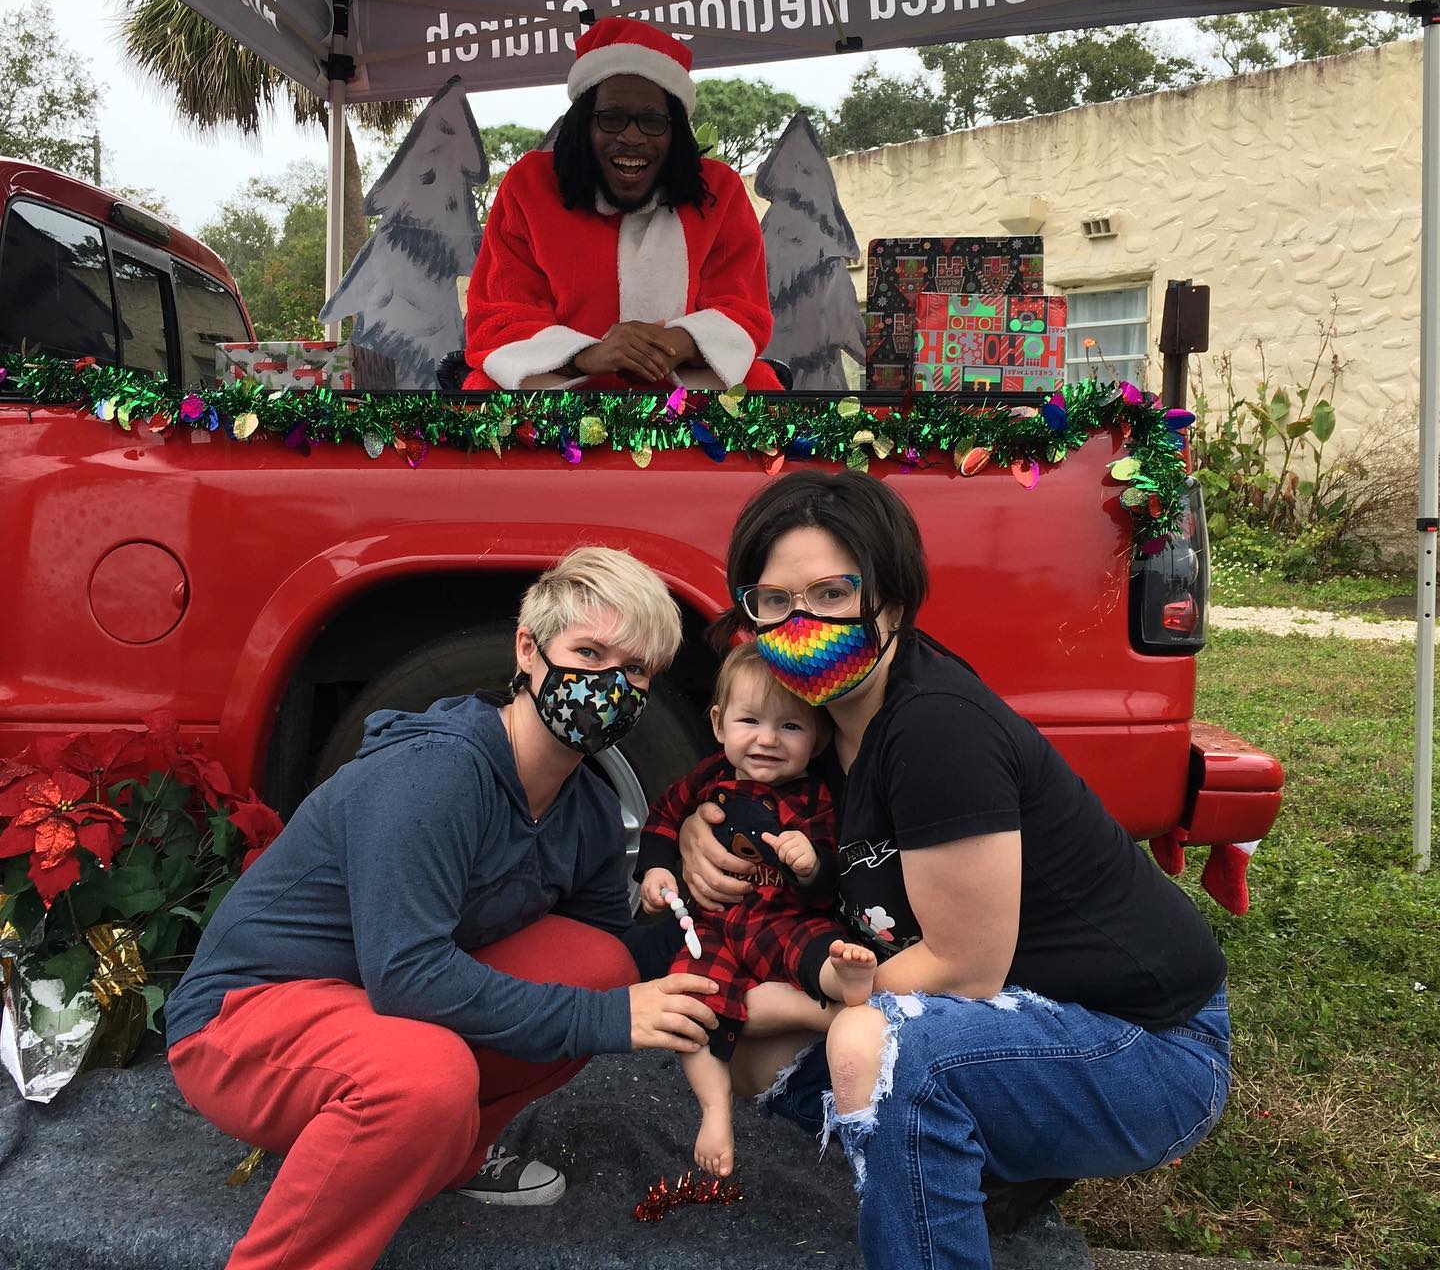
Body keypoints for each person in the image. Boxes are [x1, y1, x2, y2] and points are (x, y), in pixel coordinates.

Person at [675, 471, 1232, 1270]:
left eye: (833, 594)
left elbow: (963, 970)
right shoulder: (825, 728)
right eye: (773, 601)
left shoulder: (934, 730)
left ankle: (960, 1187)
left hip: (1149, 1046)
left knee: (873, 1047)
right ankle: (987, 1157)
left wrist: (802, 1004)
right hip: (1021, 1020)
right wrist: (700, 826)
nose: (801, 625)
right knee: (755, 1052)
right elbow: (735, 797)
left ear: (891, 605)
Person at [164, 547, 720, 1270]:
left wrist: (712, 912)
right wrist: (612, 1019)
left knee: (598, 964)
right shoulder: (435, 772)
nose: (610, 685)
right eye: (589, 652)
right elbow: (408, 979)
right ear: (528, 648)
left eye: (635, 670)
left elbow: (604, 963)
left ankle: (444, 1154)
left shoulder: (584, 806)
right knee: (424, 1077)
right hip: (245, 1019)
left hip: (366, 1005)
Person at [635, 642, 877, 1178]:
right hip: (714, 926)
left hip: (781, 919)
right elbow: (662, 819)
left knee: (816, 947)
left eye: (790, 727)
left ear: (817, 738)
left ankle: (847, 985)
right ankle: (715, 1111)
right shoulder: (707, 779)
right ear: (720, 724)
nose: (767, 739)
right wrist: (656, 870)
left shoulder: (817, 798)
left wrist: (811, 864)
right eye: (750, 721)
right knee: (695, 1003)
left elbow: (830, 884)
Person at [461, 17, 783, 394]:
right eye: (611, 118)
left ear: (675, 131)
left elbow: (742, 308)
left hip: (688, 398)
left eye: (652, 120)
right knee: (480, 394)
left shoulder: (719, 190)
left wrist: (678, 342)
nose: (631, 136)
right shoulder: (529, 186)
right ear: (584, 125)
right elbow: (499, 316)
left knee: (762, 390)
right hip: (560, 396)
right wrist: (588, 355)